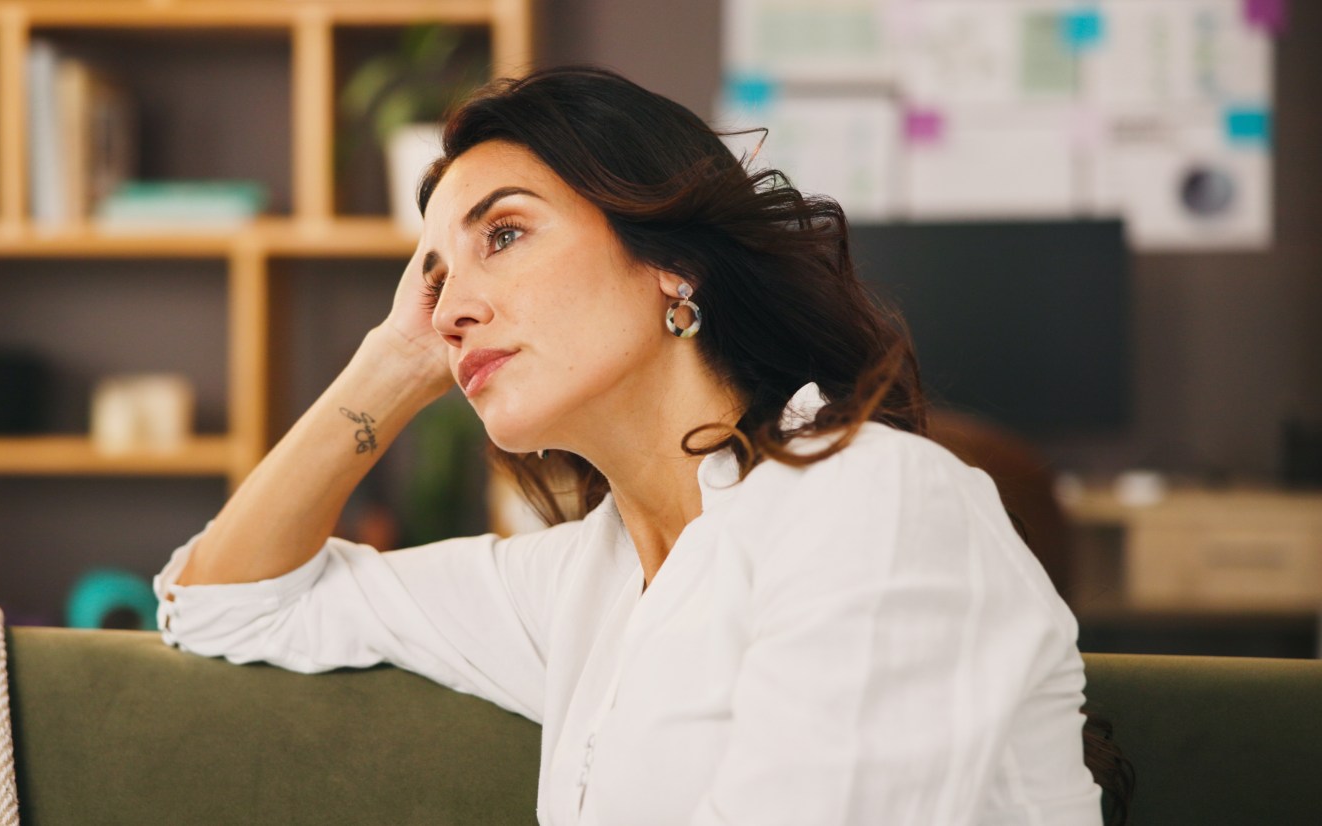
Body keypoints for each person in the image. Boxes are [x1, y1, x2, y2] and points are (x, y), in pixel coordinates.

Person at [155, 66, 1119, 825]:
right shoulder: (586, 582)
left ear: (670, 259)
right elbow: (225, 606)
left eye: (503, 235)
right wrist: (398, 357)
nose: (450, 307)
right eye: (435, 275)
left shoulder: (871, 505)